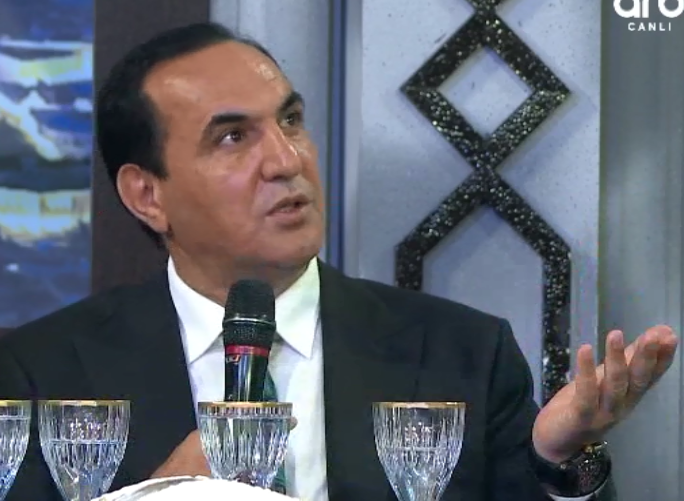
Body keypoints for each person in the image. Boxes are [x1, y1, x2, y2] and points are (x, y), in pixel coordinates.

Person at [0, 22, 677, 501]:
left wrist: (559, 461)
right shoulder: (40, 374)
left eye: (290, 120)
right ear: (147, 195)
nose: (286, 160)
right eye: (233, 137)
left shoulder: (463, 354)